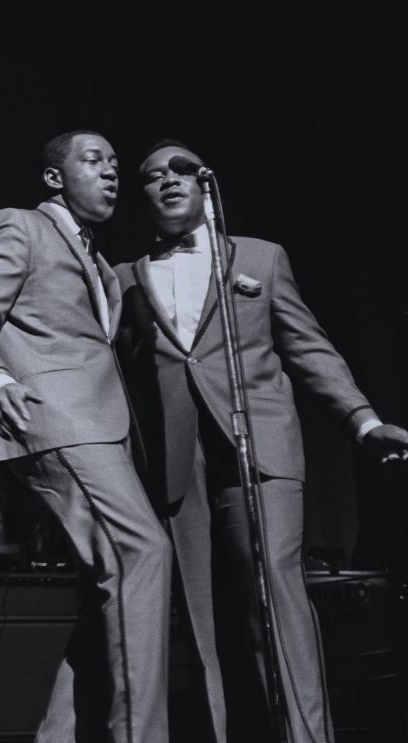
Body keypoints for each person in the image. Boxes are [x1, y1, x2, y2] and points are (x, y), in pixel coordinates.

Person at [114, 139, 408, 742]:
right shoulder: (124, 278)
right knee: (198, 609)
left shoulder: (260, 258)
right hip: (177, 457)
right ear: (142, 198)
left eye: (181, 169)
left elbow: (308, 347)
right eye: (152, 175)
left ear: (205, 185)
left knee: (275, 581)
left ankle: (305, 736)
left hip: (260, 445)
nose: (168, 179)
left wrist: (363, 420)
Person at [0, 130, 171, 743]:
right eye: (94, 161)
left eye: (116, 165)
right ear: (54, 177)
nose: (111, 173)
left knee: (110, 587)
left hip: (102, 428)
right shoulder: (19, 226)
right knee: (143, 553)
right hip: (58, 419)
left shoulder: (99, 260)